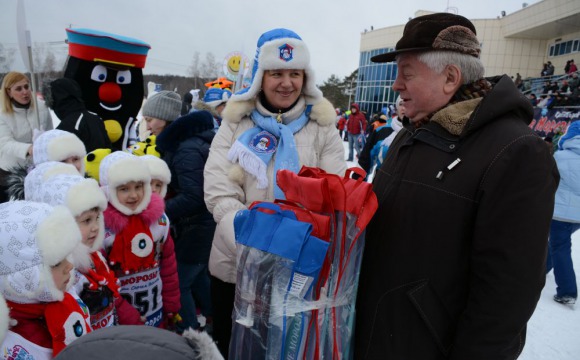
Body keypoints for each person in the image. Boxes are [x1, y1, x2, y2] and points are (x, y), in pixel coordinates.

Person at [354, 13, 559, 359]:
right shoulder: (411, 133)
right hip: (376, 335)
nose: (396, 85)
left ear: (450, 77)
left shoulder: (516, 152)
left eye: (407, 73)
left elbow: (505, 298)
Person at [203, 28, 346, 358]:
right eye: (276, 73)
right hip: (237, 267)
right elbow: (220, 193)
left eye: (294, 73)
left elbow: (332, 192)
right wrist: (254, 254)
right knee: (234, 348)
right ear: (259, 76)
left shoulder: (322, 125)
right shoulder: (236, 122)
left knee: (288, 351)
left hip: (300, 270)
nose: (286, 83)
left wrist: (297, 254)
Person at [25, 171, 144, 329]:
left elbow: (114, 299)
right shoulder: (64, 275)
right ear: (61, 225)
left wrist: (133, 320)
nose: (95, 227)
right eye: (86, 220)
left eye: (97, 218)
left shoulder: (93, 256)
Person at [0, 200, 92, 359]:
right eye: (56, 263)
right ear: (22, 279)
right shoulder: (9, 345)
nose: (70, 266)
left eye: (67, 256)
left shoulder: (64, 296)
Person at [99, 151, 180, 328]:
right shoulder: (101, 229)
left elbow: (168, 265)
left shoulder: (159, 220)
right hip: (120, 318)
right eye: (124, 189)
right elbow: (102, 281)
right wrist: (123, 312)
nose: (134, 195)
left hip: (155, 309)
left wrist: (171, 302)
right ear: (108, 190)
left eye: (139, 187)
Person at [156, 110, 216, 334]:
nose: (148, 125)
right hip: (204, 224)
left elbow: (193, 197)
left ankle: (188, 331)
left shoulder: (186, 149)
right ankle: (216, 319)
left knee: (181, 281)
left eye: (152, 119)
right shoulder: (197, 142)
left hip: (197, 226)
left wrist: (159, 211)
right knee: (199, 275)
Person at [0, 72, 53, 201]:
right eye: (18, 89)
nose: (25, 92)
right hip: (10, 171)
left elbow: (50, 132)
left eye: (26, 86)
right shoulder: (2, 113)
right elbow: (5, 143)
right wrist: (28, 148)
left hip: (37, 167)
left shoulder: (41, 107)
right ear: (9, 92)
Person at [546, 121, 580, 305]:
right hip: (578, 216)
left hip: (559, 212)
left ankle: (567, 291)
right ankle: (543, 269)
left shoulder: (560, 156)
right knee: (559, 243)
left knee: (560, 246)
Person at [44, 77, 112, 153]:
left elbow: (59, 156)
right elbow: (108, 148)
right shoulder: (95, 118)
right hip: (101, 162)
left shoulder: (67, 126)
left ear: (55, 101)